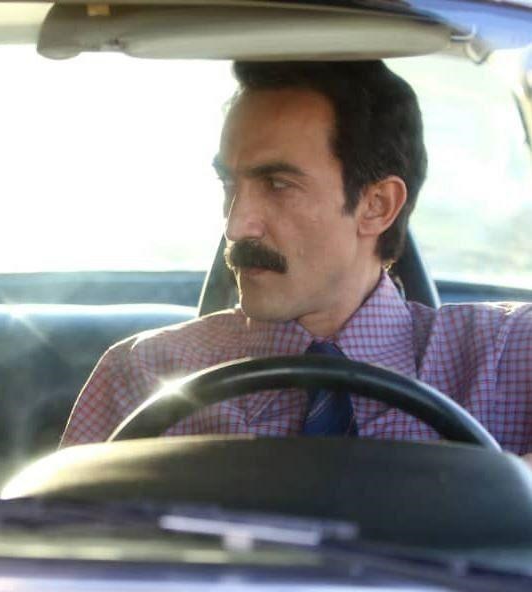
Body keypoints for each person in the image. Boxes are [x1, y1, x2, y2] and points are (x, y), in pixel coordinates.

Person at [61, 60, 532, 463]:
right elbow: (62, 536)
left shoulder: (506, 357)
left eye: (278, 185)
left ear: (376, 206)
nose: (236, 225)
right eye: (230, 185)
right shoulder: (143, 374)